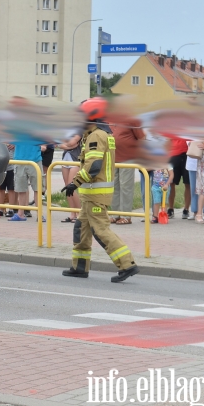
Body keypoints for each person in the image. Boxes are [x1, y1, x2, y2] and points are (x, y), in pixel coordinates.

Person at [61, 98, 139, 282]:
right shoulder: (97, 133)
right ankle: (80, 267)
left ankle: (127, 264)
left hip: (96, 195)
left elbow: (93, 165)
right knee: (81, 229)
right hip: (91, 194)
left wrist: (75, 182)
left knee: (101, 230)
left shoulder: (97, 136)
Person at [110, 117, 145, 225]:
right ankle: (115, 214)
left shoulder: (132, 119)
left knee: (125, 187)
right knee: (114, 187)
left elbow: (142, 137)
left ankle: (126, 216)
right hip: (112, 158)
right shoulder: (110, 120)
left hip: (127, 159)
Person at [10, 140, 42, 221]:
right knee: (21, 189)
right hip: (19, 159)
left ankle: (40, 215)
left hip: (35, 160)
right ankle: (20, 214)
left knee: (37, 189)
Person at [58, 131, 82, 223]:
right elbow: (59, 144)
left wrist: (67, 144)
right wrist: (68, 145)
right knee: (67, 186)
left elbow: (73, 142)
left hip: (75, 159)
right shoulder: (67, 129)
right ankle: (72, 214)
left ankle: (80, 213)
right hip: (65, 158)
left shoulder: (80, 129)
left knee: (72, 185)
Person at [167, 137, 191, 219]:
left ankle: (186, 209)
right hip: (174, 154)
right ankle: (170, 208)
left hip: (188, 154)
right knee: (171, 182)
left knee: (188, 183)